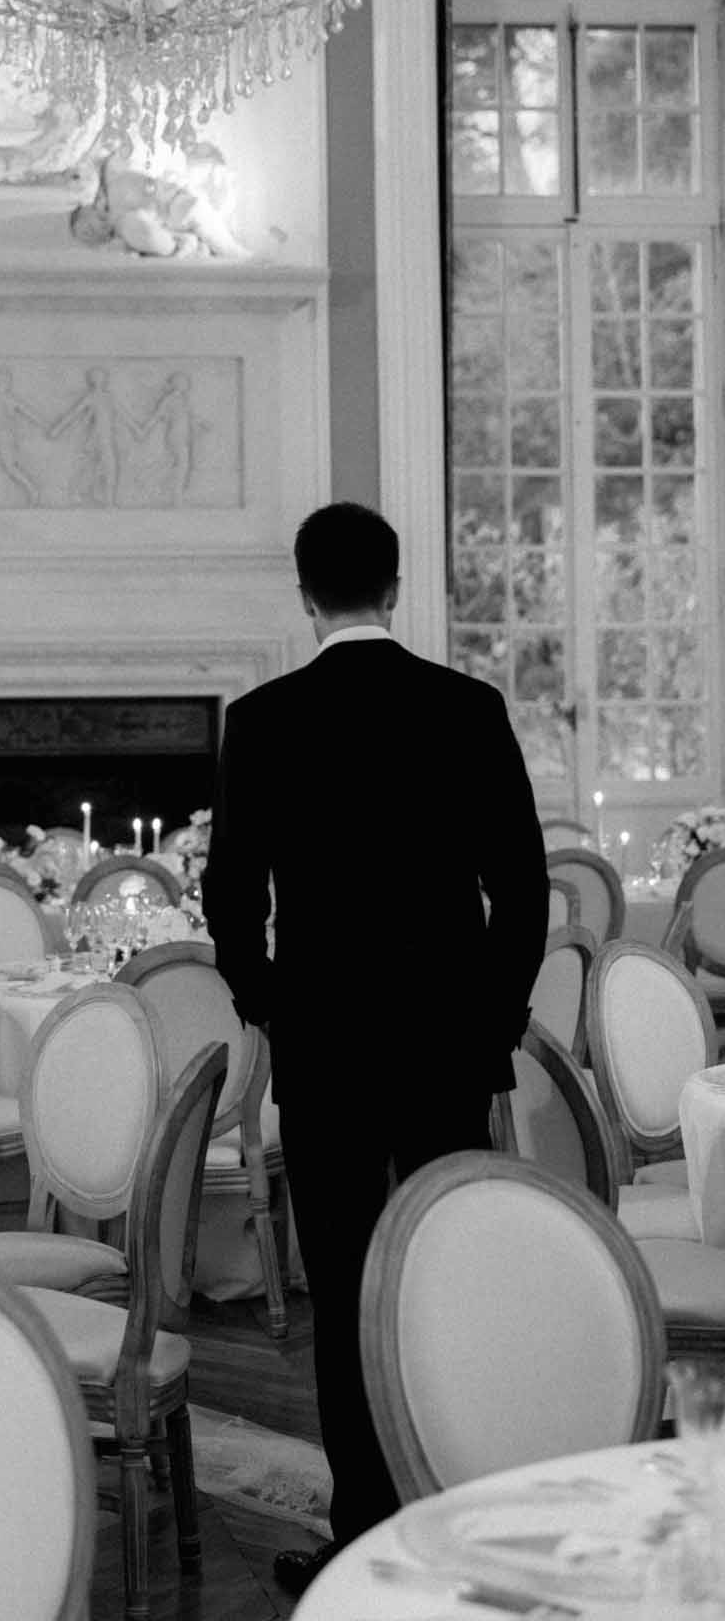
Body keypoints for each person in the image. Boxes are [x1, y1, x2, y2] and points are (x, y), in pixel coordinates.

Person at [200, 502, 548, 1593]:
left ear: (305, 593)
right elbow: (523, 888)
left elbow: (227, 893)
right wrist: (488, 1020)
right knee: (446, 1270)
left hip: (325, 1047)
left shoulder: (261, 718)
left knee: (346, 1283)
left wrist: (267, 1001)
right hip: (444, 1041)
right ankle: (456, 1505)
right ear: (393, 588)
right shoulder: (466, 706)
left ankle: (360, 1533)